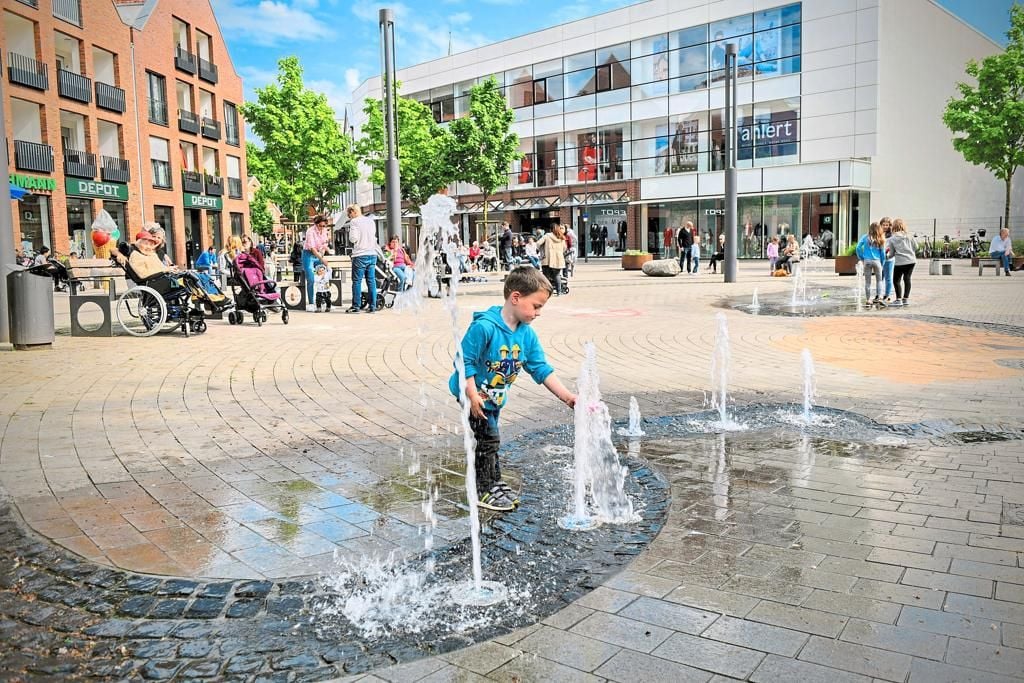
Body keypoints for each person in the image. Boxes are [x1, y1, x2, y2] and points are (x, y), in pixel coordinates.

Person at [448, 266, 577, 511]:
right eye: (536, 306)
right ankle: (483, 490)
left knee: (490, 438)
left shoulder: (526, 335)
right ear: (516, 297)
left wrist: (568, 397)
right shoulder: (485, 327)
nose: (538, 313)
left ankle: (494, 483)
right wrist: (472, 395)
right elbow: (464, 362)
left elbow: (541, 368)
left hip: (494, 397)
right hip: (471, 394)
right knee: (488, 439)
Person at [346, 204, 378, 314]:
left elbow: (353, 238)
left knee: (357, 281)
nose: (349, 217)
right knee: (371, 281)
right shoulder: (370, 221)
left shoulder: (354, 222)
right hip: (372, 253)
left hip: (360, 254)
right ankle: (373, 306)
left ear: (353, 212)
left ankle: (356, 306)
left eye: (349, 214)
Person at [886, 218, 918, 307]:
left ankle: (898, 300)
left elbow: (891, 253)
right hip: (911, 261)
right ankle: (906, 299)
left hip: (900, 262)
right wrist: (910, 251)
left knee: (896, 280)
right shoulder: (910, 236)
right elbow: (916, 247)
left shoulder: (892, 239)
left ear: (894, 227)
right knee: (907, 279)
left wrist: (886, 257)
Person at [302, 215, 332, 313]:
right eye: (320, 226)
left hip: (319, 254)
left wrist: (325, 251)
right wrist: (321, 259)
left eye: (324, 226)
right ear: (316, 224)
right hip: (309, 254)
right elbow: (312, 248)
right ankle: (311, 303)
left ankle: (324, 301)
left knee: (324, 277)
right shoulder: (310, 231)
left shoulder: (324, 230)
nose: (322, 228)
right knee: (311, 279)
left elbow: (324, 244)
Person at [857, 221, 887, 307]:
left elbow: (858, 247)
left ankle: (868, 300)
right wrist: (882, 262)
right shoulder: (880, 238)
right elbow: (883, 253)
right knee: (879, 280)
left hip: (867, 261)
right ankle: (880, 297)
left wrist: (861, 257)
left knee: (868, 282)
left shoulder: (865, 237)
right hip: (877, 261)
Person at [536, 223, 567, 295]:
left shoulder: (547, 236)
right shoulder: (561, 237)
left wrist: (542, 250)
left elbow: (538, 243)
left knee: (546, 277)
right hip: (558, 259)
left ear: (550, 229)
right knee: (557, 275)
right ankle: (559, 291)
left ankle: (547, 292)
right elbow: (564, 248)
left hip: (547, 259)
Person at [880, 216, 895, 301]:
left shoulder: (892, 235)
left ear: (890, 226)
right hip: (879, 259)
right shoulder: (878, 234)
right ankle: (879, 294)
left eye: (887, 225)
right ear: (881, 225)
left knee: (888, 278)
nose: (885, 226)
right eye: (884, 225)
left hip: (889, 259)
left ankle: (887, 295)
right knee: (879, 277)